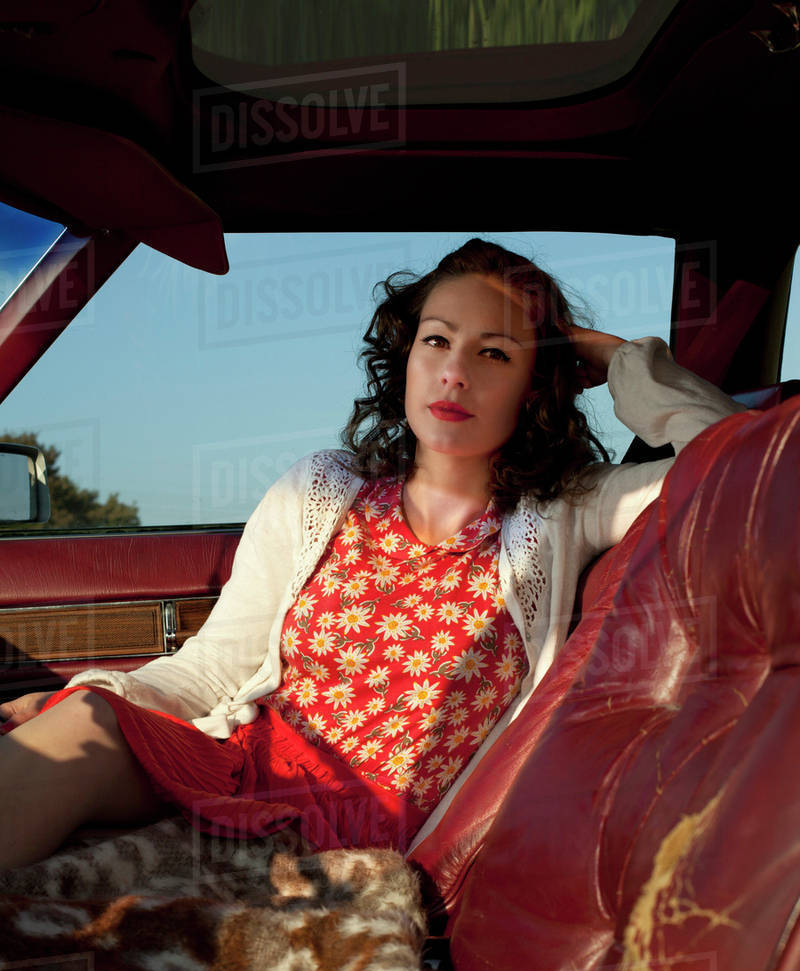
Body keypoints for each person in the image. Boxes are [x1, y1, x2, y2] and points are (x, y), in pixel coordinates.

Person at [0, 239, 742, 869]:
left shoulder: (570, 505)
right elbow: (212, 668)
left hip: (373, 840)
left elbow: (742, 465)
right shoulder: (321, 488)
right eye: (438, 340)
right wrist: (88, 698)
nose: (455, 372)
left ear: (535, 386)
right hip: (245, 767)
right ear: (407, 355)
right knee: (85, 724)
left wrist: (616, 359)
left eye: (494, 353)